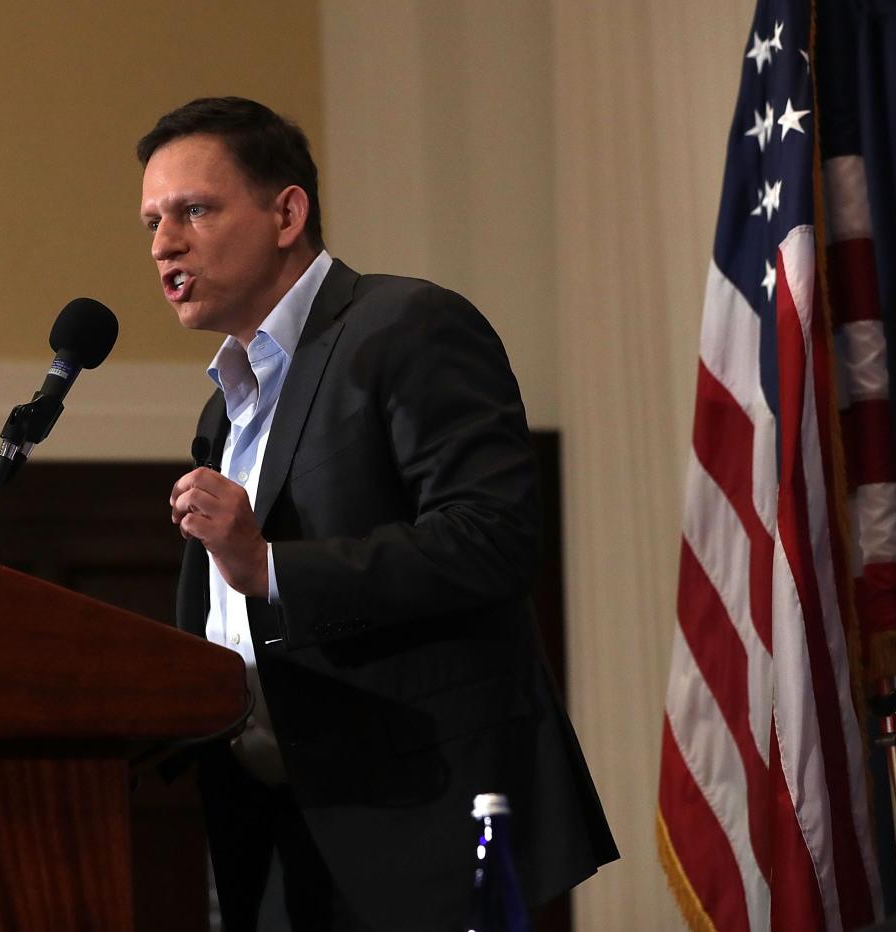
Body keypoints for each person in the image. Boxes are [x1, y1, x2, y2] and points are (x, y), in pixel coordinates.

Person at [139, 96, 617, 931]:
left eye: (194, 211)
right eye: (151, 222)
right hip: (274, 835)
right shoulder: (227, 404)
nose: (164, 245)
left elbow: (493, 539)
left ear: (288, 211)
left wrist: (270, 567)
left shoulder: (405, 328)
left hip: (416, 826)